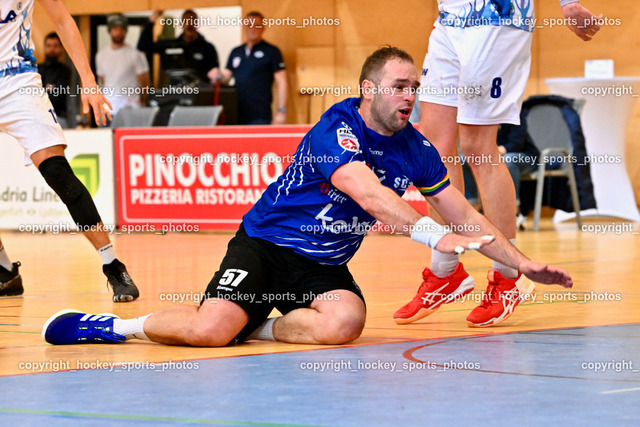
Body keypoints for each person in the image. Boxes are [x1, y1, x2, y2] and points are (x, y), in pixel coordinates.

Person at [42, 47, 572, 346]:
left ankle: (258, 325)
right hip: (266, 245)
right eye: (399, 86)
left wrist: (520, 263)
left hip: (322, 263)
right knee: (209, 331)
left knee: (346, 323)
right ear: (369, 90)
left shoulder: (417, 149)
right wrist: (435, 236)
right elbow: (368, 194)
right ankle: (113, 326)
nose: (410, 96)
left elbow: (466, 214)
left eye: (415, 87)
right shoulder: (335, 129)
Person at [393, 0, 601, 326]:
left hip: (497, 17)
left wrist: (568, 3)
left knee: (478, 147)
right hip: (450, 16)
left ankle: (508, 277)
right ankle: (445, 271)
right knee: (434, 148)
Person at [0, 0, 139, 302]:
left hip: (17, 83)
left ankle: (113, 265)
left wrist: (88, 81)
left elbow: (63, 20)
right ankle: (5, 270)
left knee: (57, 173)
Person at [208, 11, 287, 125]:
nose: (252, 29)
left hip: (260, 114)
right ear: (244, 27)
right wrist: (217, 75)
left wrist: (282, 111)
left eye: (256, 25)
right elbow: (226, 76)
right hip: (236, 112)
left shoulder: (271, 51)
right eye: (249, 25)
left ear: (263, 28)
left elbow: (282, 81)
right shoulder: (236, 52)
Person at [137, 9, 219, 84]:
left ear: (197, 23)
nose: (189, 24)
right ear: (181, 23)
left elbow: (214, 72)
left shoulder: (208, 48)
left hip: (200, 91)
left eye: (193, 20)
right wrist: (151, 22)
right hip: (176, 91)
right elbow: (143, 46)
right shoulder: (171, 45)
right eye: (186, 21)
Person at [95, 14, 150, 119]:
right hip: (108, 109)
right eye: (115, 29)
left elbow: (145, 82)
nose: (118, 32)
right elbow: (103, 80)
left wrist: (142, 101)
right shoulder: (100, 56)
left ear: (125, 31)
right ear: (110, 31)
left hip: (131, 108)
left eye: (121, 29)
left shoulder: (136, 55)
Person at [37, 32, 72, 128]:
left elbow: (59, 94)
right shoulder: (37, 69)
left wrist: (44, 89)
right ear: (44, 48)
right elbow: (34, 94)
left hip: (59, 116)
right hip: (38, 117)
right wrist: (50, 88)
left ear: (61, 48)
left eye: (55, 46)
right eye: (49, 46)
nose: (52, 49)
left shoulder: (65, 71)